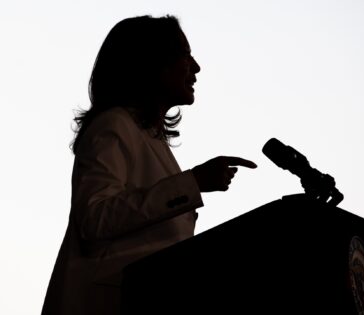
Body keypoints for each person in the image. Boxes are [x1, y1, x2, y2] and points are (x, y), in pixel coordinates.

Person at [41, 15, 257, 314]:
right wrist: (193, 183)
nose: (195, 68)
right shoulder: (113, 125)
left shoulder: (151, 140)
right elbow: (94, 217)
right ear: (151, 62)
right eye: (185, 55)